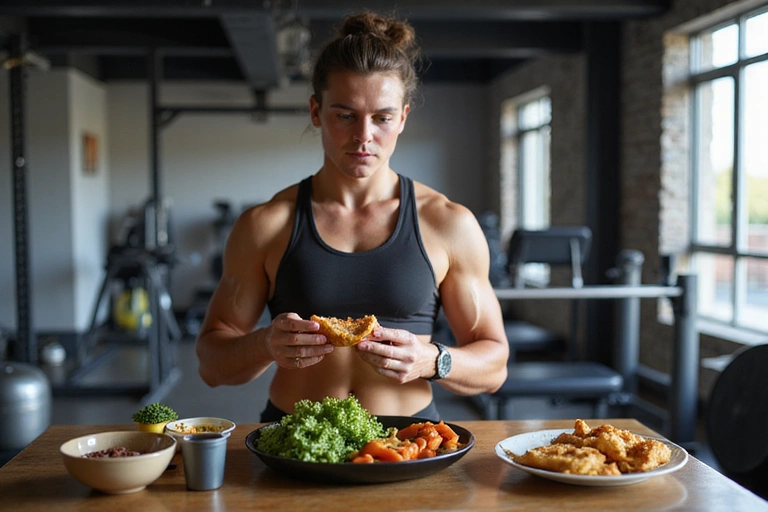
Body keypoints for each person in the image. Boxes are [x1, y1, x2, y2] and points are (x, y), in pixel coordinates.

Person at [195, 10, 509, 422]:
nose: (364, 137)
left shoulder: (448, 224)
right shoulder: (266, 225)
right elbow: (211, 364)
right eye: (345, 115)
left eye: (381, 118)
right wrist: (263, 345)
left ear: (403, 118)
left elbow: (495, 365)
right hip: (294, 441)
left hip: (409, 442)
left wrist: (434, 360)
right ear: (315, 111)